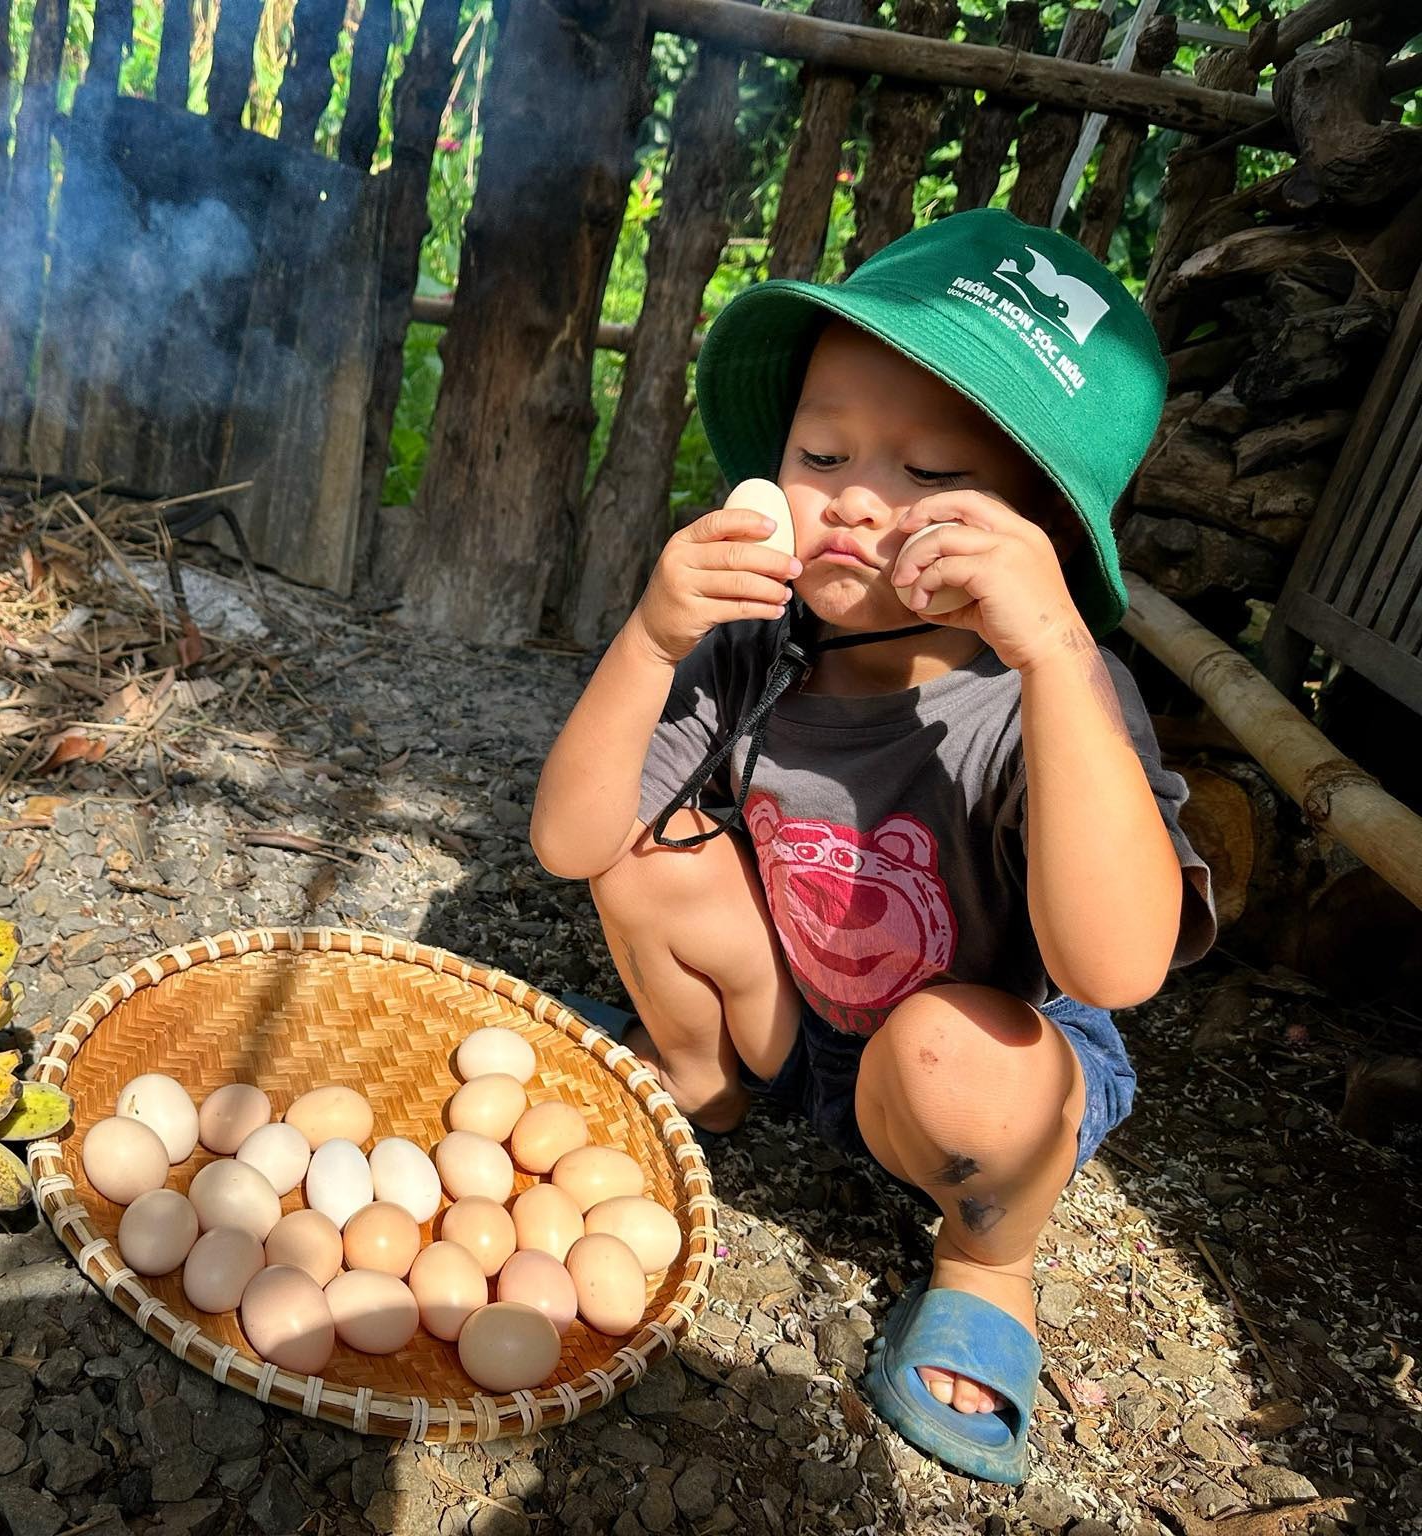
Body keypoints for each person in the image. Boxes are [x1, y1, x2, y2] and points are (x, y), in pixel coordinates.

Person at [529, 208, 1217, 1484]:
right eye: (822, 448)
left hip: (981, 1069)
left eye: (930, 476)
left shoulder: (1048, 700)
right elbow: (571, 841)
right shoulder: (754, 640)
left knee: (955, 1054)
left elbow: (1116, 967)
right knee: (645, 855)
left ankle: (986, 1262)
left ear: (1041, 538)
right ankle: (705, 1082)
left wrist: (1059, 652)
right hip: (803, 1014)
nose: (853, 496)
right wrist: (649, 636)